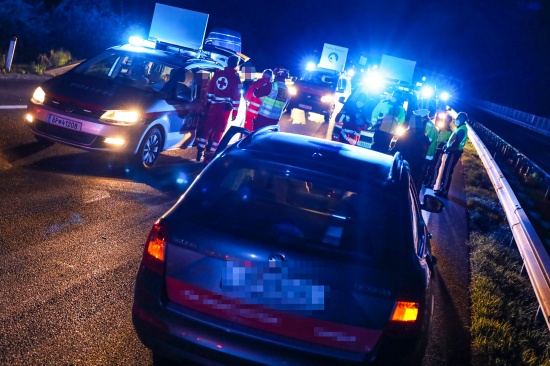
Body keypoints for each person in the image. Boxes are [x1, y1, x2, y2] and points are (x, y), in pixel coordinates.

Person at [196, 55, 242, 163]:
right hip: (224, 110)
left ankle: (199, 151)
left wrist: (208, 102)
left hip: (213, 106)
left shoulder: (218, 74)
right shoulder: (235, 79)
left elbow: (210, 88)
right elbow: (236, 98)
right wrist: (235, 112)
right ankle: (210, 156)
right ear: (236, 65)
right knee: (219, 131)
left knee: (208, 128)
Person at [392, 108, 430, 191]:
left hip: (403, 166)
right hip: (416, 169)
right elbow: (423, 153)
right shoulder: (424, 137)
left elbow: (397, 148)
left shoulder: (406, 134)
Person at [434, 112, 470, 197]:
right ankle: (443, 188)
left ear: (462, 119)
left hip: (454, 152)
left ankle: (444, 191)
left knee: (447, 171)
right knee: (447, 170)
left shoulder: (462, 129)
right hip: (453, 152)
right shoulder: (461, 128)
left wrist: (448, 148)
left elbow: (456, 142)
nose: (456, 119)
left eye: (458, 118)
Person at [423, 114, 453, 188]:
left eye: (447, 120)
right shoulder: (440, 128)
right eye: (445, 119)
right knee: (430, 167)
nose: (445, 121)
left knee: (435, 167)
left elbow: (442, 141)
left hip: (439, 151)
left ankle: (432, 183)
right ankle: (427, 180)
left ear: (449, 122)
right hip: (434, 150)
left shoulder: (448, 132)